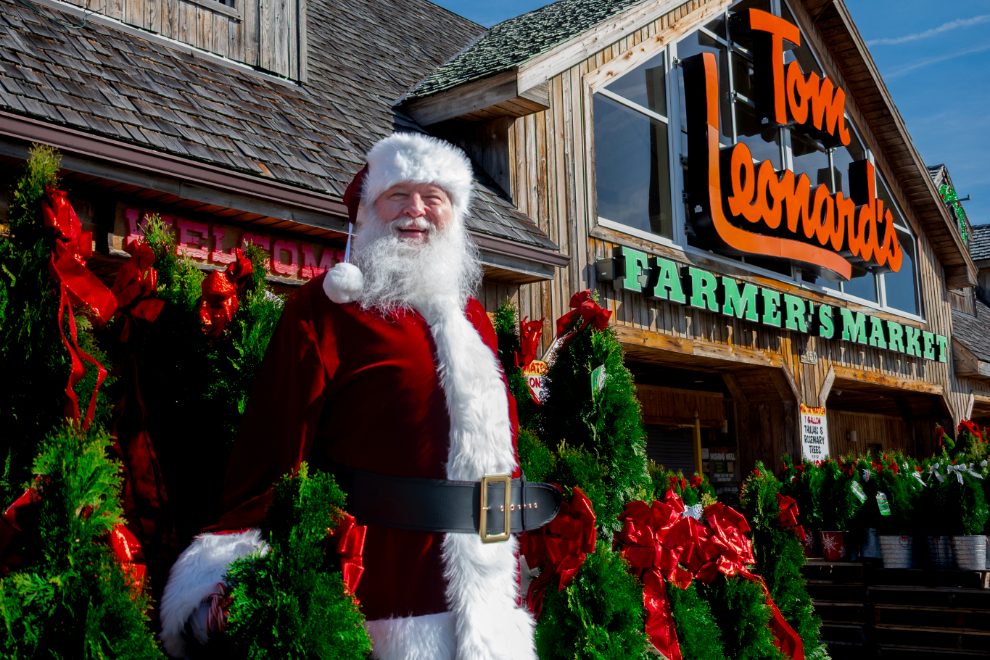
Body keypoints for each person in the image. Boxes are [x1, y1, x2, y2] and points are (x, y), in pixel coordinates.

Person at [159, 133, 559, 659]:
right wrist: (235, 567)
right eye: (397, 194)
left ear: (454, 214)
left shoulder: (475, 319)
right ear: (367, 210)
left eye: (433, 197)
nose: (416, 210)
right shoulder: (323, 310)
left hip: (492, 607)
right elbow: (274, 449)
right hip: (383, 609)